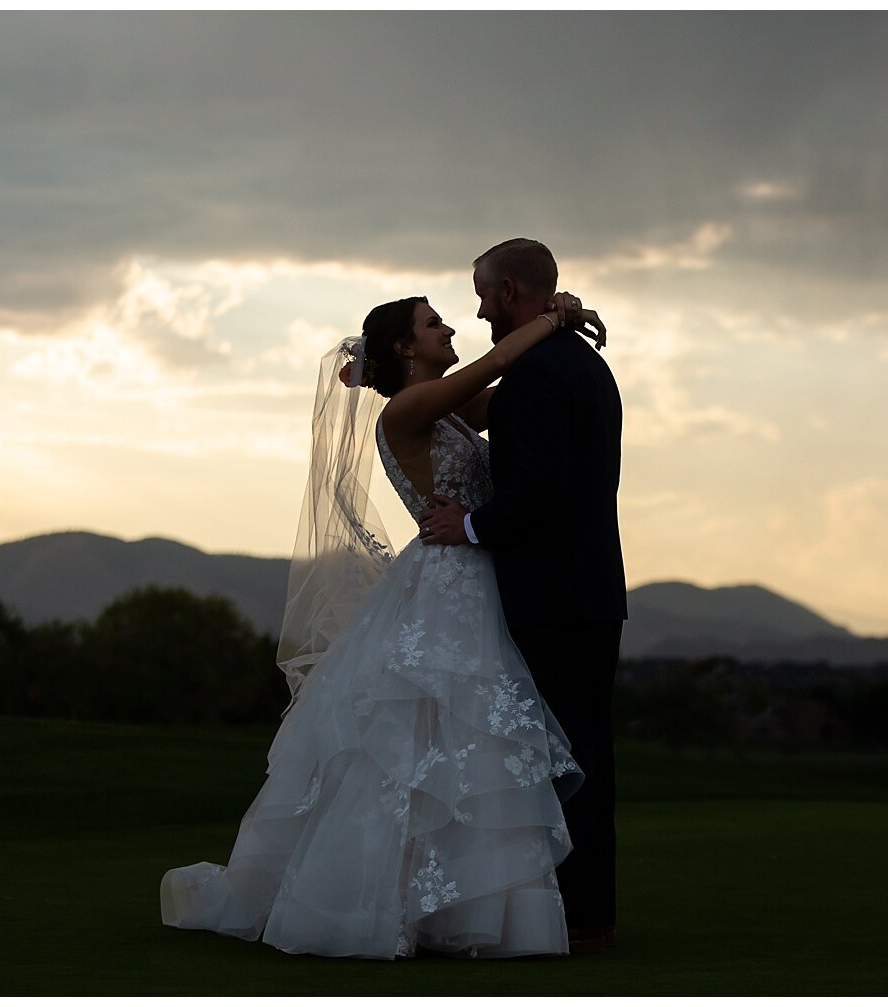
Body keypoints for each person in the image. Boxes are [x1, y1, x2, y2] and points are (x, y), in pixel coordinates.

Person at [160, 285, 608, 960]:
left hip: (473, 575)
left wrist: (554, 322)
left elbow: (511, 389)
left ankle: (452, 905)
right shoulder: (408, 407)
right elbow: (492, 369)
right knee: (418, 743)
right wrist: (550, 317)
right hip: (445, 582)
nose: (452, 327)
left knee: (462, 745)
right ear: (405, 347)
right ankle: (386, 904)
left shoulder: (452, 411)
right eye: (434, 323)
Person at [418, 238, 627, 954]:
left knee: (558, 762)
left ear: (508, 291)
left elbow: (539, 488)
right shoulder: (581, 360)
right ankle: (586, 912)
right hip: (591, 590)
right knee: (585, 756)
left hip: (553, 596)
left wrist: (470, 522)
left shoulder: (536, 374)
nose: (476, 312)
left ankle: (569, 915)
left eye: (481, 295)